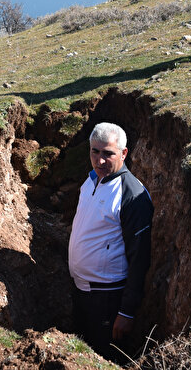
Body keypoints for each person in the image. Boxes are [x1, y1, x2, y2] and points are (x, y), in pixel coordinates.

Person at [68, 122, 153, 361]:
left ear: (124, 153)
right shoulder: (91, 180)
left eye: (108, 154)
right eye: (95, 151)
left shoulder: (132, 196)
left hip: (107, 298)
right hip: (81, 290)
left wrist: (126, 311)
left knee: (103, 358)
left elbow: (140, 257)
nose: (100, 160)